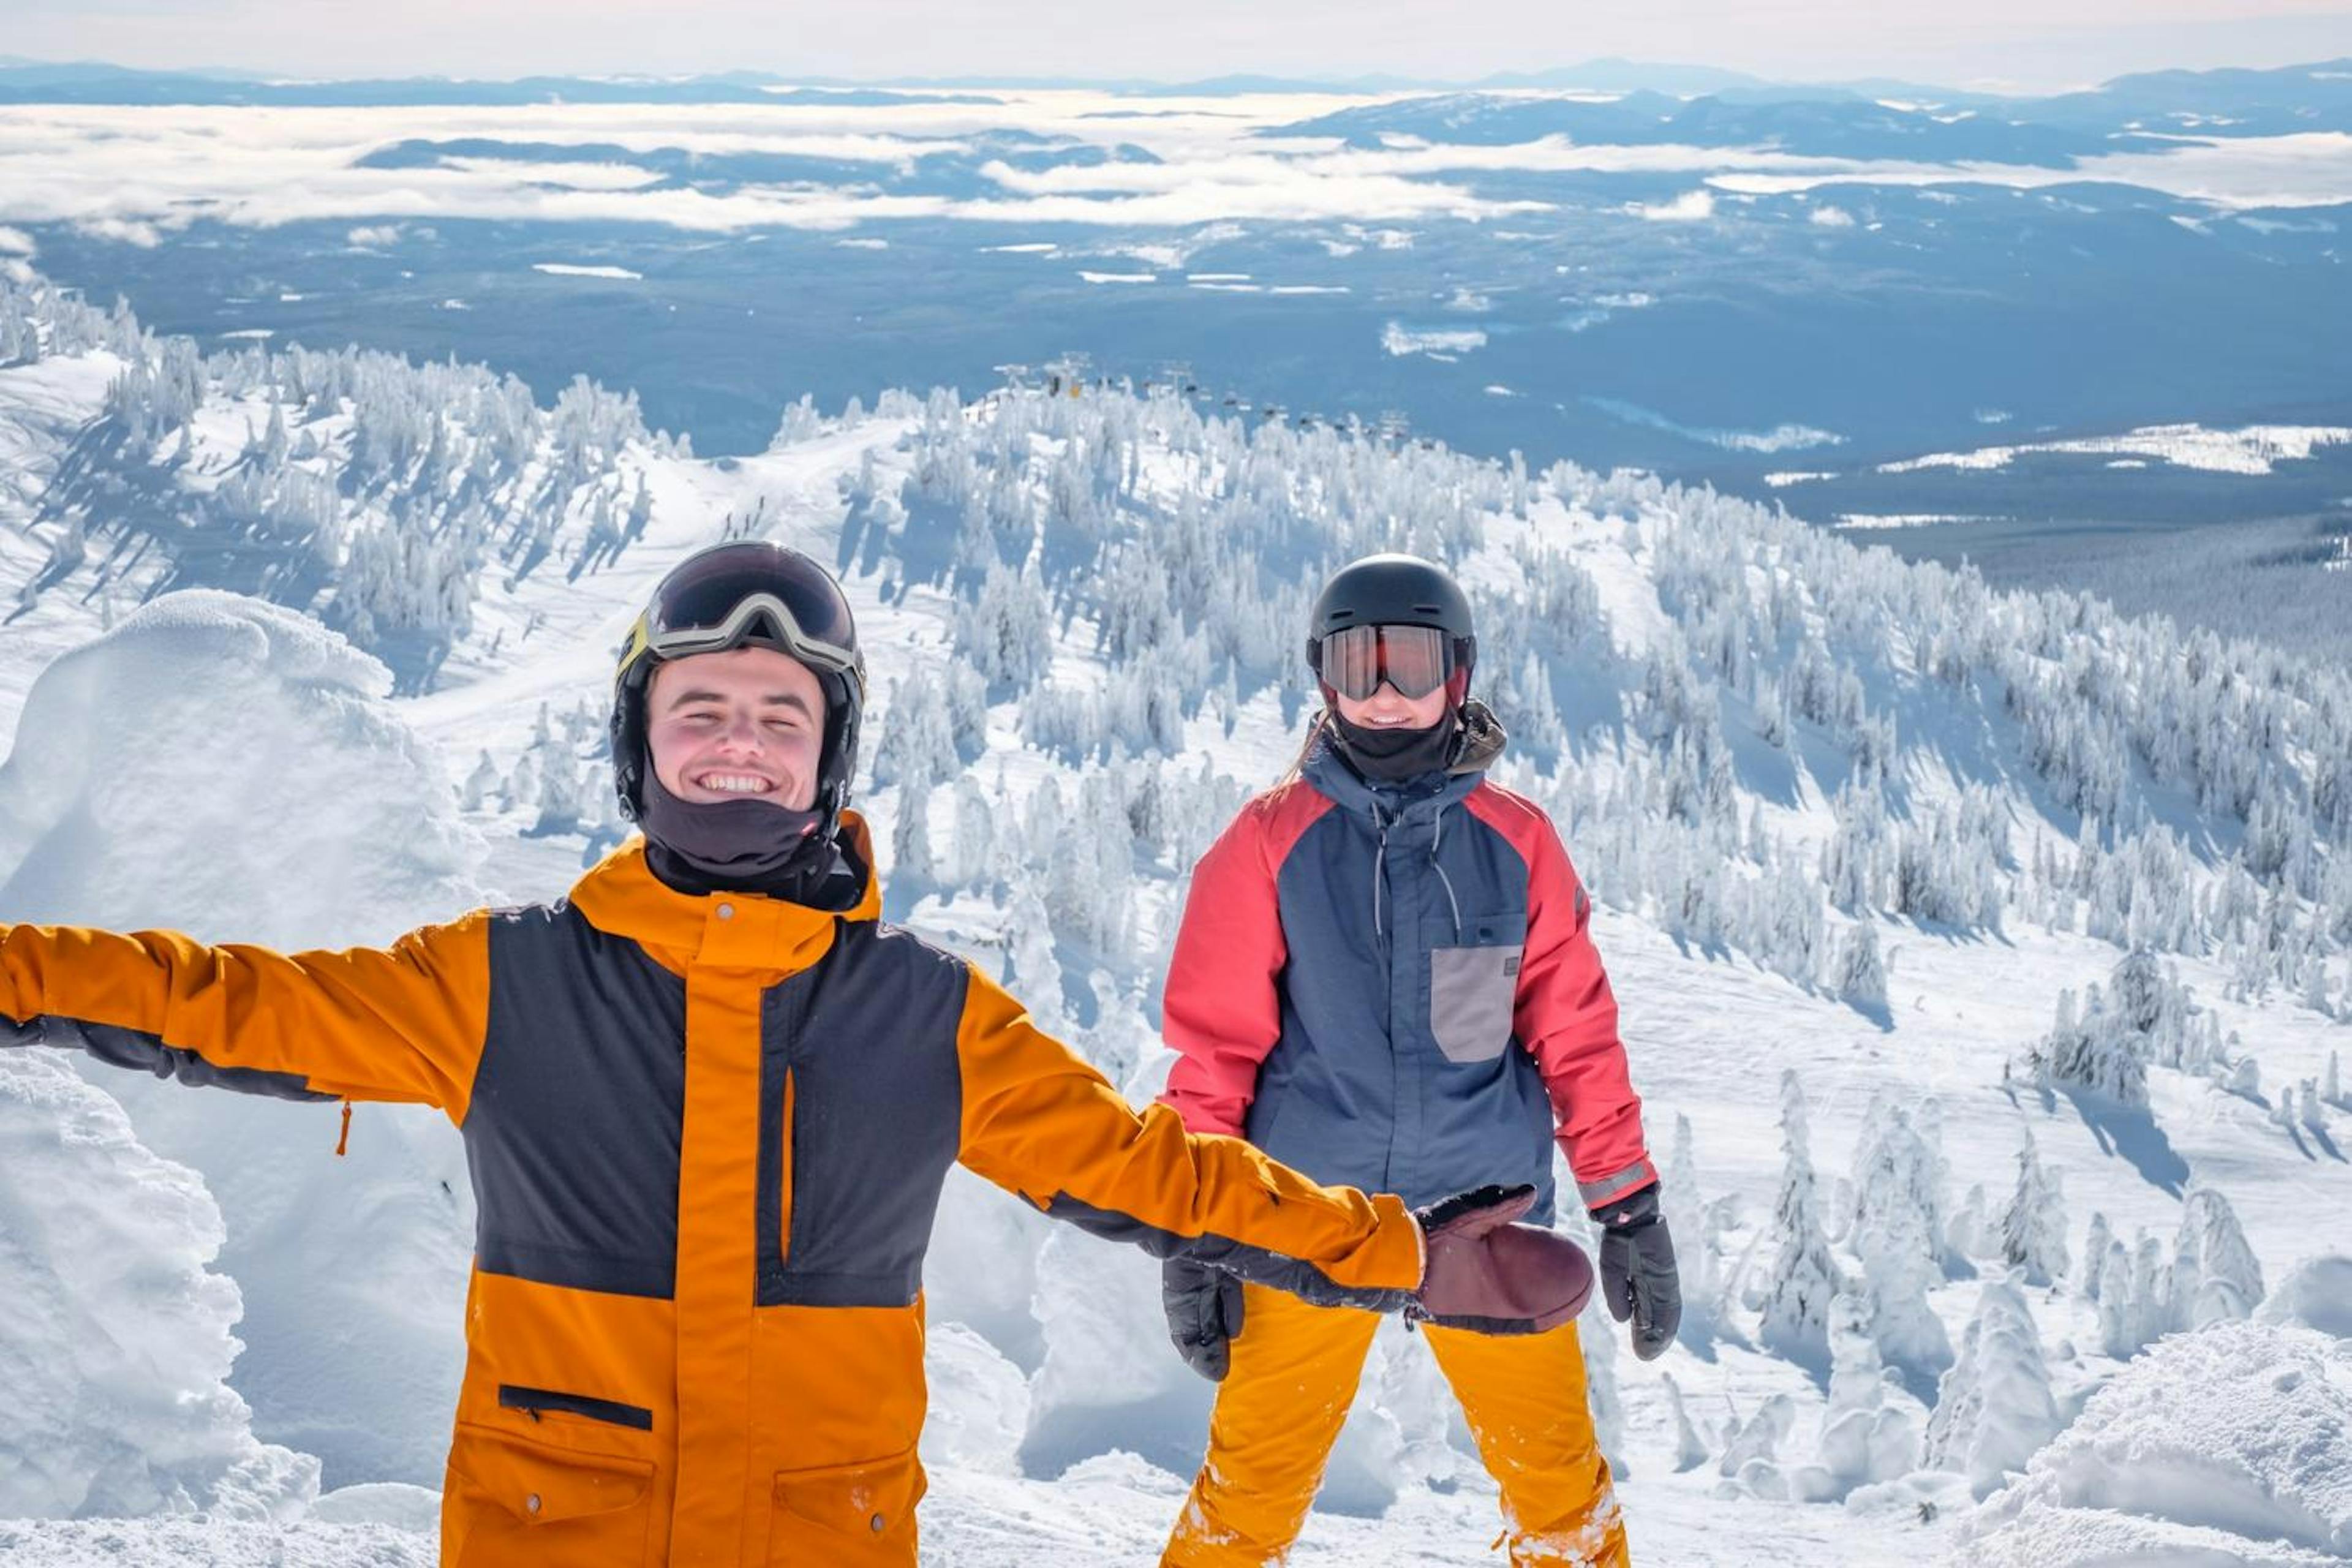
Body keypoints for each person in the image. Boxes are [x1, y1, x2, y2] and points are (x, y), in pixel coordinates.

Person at [0, 541, 1578, 1568]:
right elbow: (215, 997)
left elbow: (1146, 1168)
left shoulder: (926, 1013)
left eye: (779, 711)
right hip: (555, 1530)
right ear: (641, 745)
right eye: (699, 708)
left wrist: (1388, 1252)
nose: (738, 739)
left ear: (830, 757)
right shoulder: (505, 982)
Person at [1155, 553, 1682, 1568]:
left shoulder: (1515, 842)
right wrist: (1197, 1227)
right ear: (1321, 677)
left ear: (1462, 673)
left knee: (1560, 1491)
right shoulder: (1268, 843)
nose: (1387, 694)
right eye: (1360, 665)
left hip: (1483, 1217)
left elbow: (1574, 1037)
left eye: (1414, 664)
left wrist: (1630, 1207)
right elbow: (1215, 1052)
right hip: (1308, 1221)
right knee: (1249, 1494)